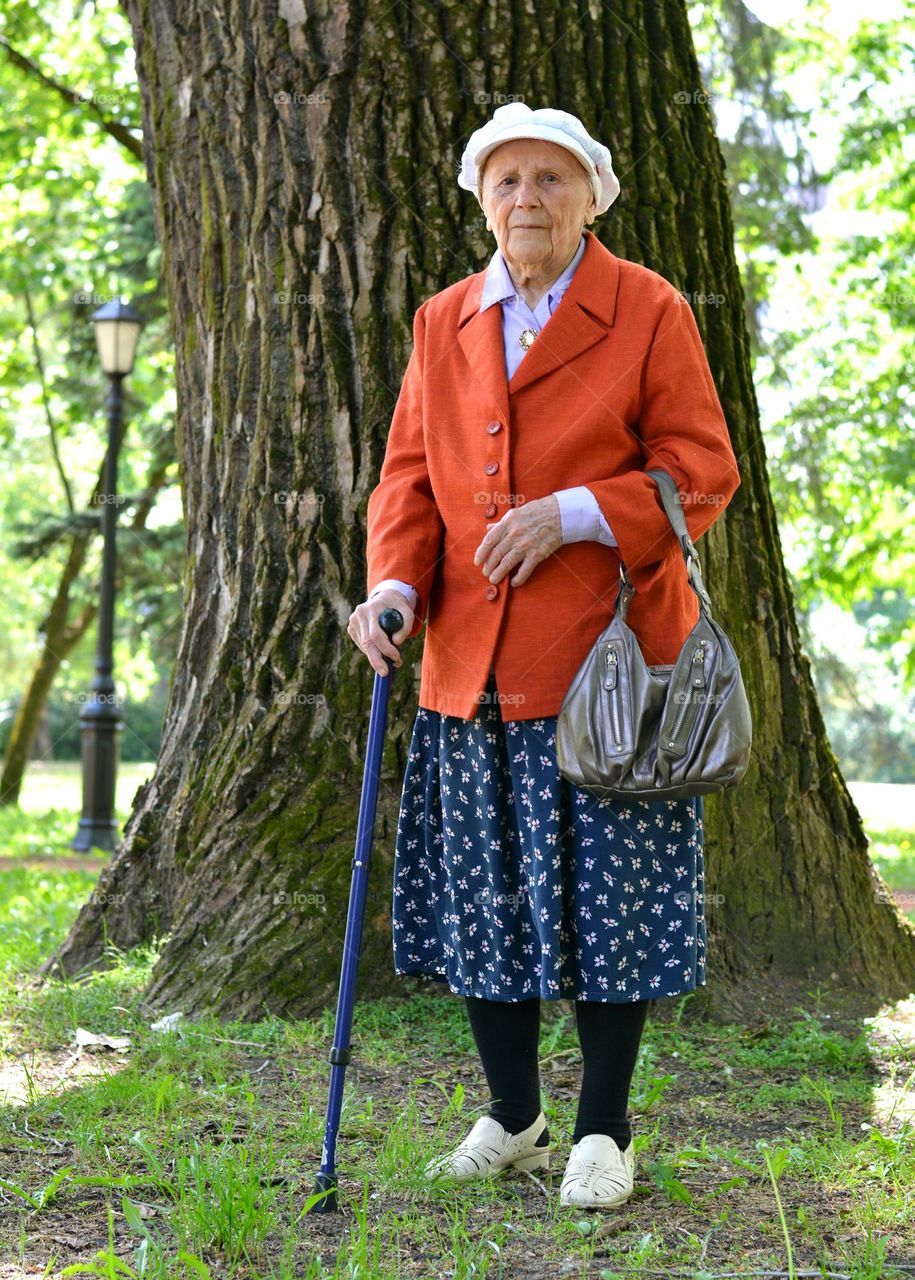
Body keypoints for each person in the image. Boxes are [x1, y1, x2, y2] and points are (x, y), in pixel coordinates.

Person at [347, 102, 740, 1209]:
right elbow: (409, 479)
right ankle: (513, 1111)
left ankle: (603, 1130)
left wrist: (573, 511)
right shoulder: (443, 319)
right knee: (489, 904)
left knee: (612, 906)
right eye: (508, 179)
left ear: (592, 196)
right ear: (481, 197)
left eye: (551, 179)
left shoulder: (649, 307)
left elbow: (701, 468)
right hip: (468, 664)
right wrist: (393, 587)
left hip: (611, 673)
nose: (528, 198)